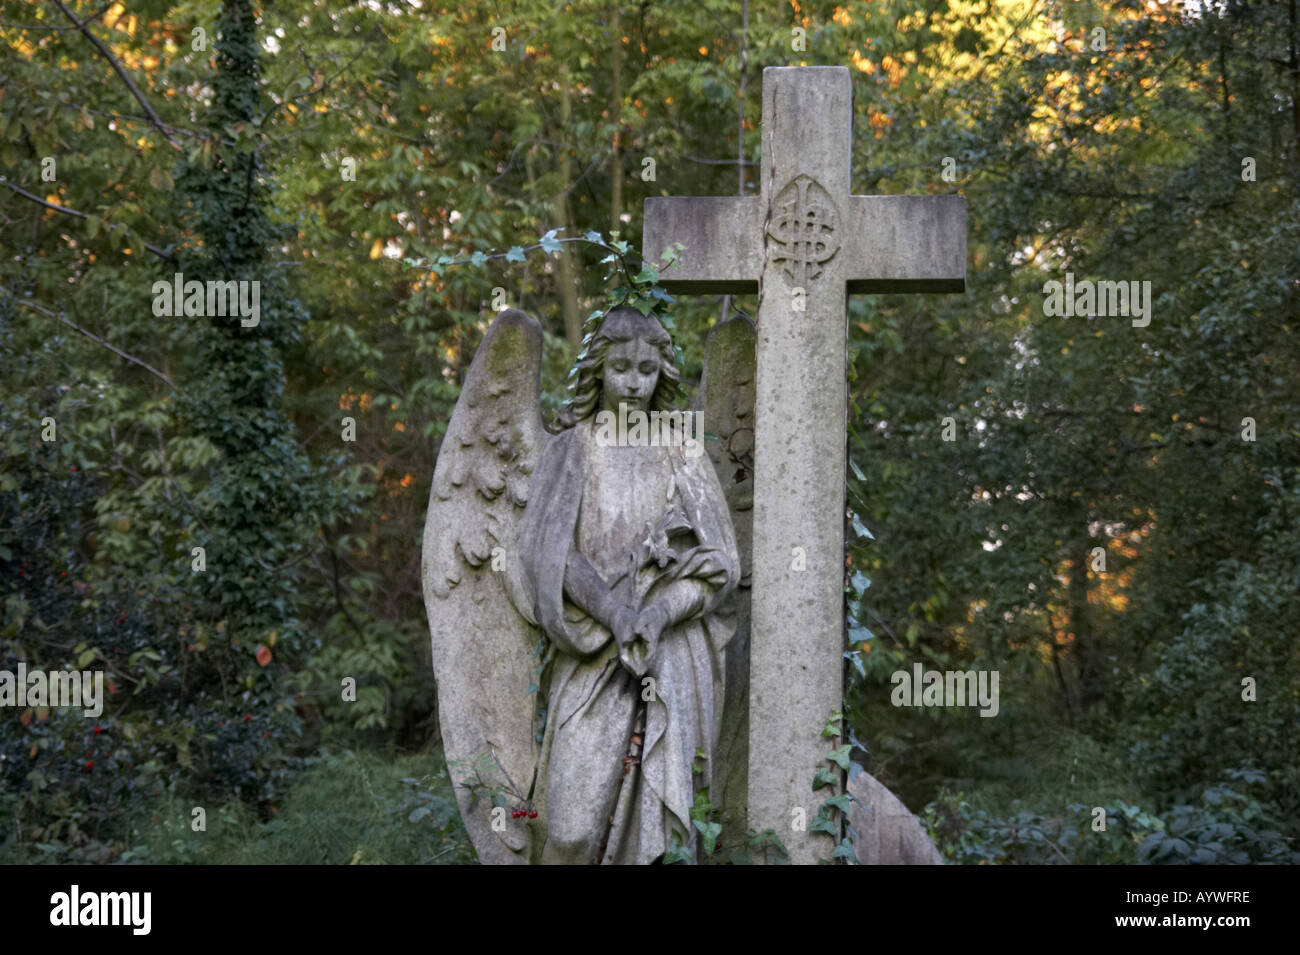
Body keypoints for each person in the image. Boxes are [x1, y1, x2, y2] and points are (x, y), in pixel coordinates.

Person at [509, 306, 739, 864]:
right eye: (620, 368)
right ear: (597, 370)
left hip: (670, 655)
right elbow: (546, 556)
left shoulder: (680, 449)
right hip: (589, 653)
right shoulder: (571, 449)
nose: (634, 383)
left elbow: (720, 565)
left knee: (658, 840)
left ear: (662, 373)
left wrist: (658, 615)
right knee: (567, 830)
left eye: (646, 369)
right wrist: (614, 612)